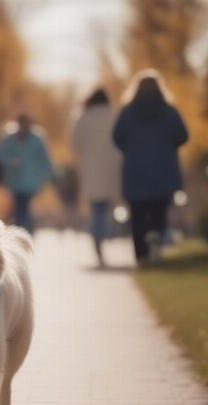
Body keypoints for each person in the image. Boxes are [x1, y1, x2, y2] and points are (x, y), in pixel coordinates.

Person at [113, 70, 188, 265]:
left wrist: (131, 149)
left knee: (137, 215)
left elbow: (117, 137)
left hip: (135, 171)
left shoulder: (127, 112)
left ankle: (141, 255)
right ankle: (156, 236)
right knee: (159, 210)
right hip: (163, 170)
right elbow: (183, 136)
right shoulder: (169, 112)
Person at [72, 87, 121, 266]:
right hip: (112, 166)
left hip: (91, 167)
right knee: (109, 206)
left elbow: (74, 144)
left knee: (97, 208)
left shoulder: (83, 117)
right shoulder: (115, 115)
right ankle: (105, 236)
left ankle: (98, 240)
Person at [0, 113, 54, 233]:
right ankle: (22, 228)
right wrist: (11, 162)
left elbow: (45, 160)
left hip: (30, 182)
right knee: (20, 206)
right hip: (15, 181)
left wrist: (45, 178)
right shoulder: (10, 138)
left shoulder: (37, 139)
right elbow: (0, 156)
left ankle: (21, 228)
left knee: (22, 206)